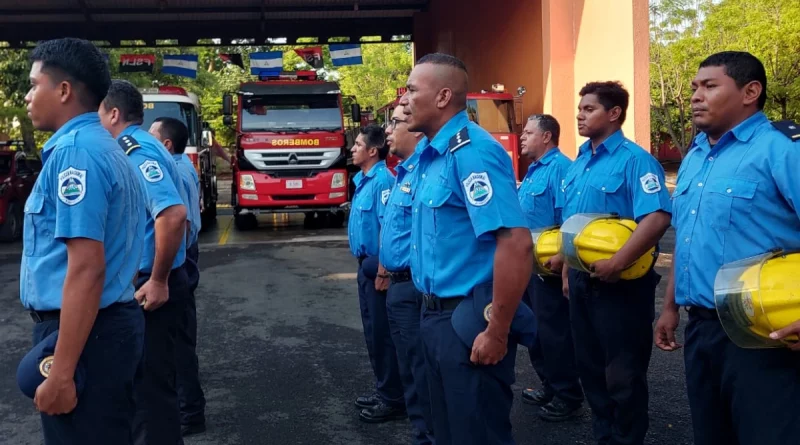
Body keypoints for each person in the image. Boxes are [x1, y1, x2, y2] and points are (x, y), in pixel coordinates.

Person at [654, 51, 800, 445]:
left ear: (750, 91)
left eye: (710, 86)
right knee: (711, 435)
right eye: (694, 88)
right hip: (701, 330)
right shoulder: (696, 156)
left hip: (765, 335)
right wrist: (669, 307)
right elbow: (686, 240)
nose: (696, 96)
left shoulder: (782, 150)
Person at [401, 53, 533, 444]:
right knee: (446, 431)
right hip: (433, 318)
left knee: (477, 434)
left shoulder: (471, 151)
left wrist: (497, 330)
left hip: (467, 322)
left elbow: (516, 242)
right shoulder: (430, 155)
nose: (402, 101)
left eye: (410, 91)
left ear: (443, 97)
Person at [20, 37, 146, 444]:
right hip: (99, 328)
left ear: (63, 90)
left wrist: (61, 374)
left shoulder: (76, 154)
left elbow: (87, 268)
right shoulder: (103, 147)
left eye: (34, 84)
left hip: (86, 333)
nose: (27, 96)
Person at [561, 81, 671, 445]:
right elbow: (573, 226)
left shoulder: (635, 160)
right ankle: (605, 437)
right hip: (581, 281)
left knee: (622, 376)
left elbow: (656, 218)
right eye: (580, 109)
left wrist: (619, 262)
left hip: (621, 286)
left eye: (589, 109)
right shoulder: (579, 163)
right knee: (589, 369)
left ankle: (627, 439)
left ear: (614, 114)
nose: (580, 114)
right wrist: (566, 269)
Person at [99, 79, 189, 445]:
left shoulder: (135, 151)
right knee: (148, 389)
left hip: (151, 286)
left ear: (114, 114)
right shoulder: (139, 146)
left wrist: (158, 280)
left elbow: (172, 214)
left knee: (150, 395)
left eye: (98, 112)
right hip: (149, 280)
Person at [517, 114, 584, 421]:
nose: (522, 137)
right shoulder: (534, 171)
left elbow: (567, 221)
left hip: (549, 268)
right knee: (535, 331)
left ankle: (567, 394)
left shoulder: (561, 169)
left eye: (528, 132)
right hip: (527, 266)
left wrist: (563, 261)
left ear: (546, 137)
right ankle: (549, 384)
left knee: (554, 333)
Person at [379, 106, 434, 444]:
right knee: (408, 366)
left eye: (395, 123)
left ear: (415, 131)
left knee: (421, 367)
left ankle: (428, 432)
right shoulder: (403, 172)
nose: (388, 130)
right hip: (397, 284)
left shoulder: (423, 174)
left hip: (414, 285)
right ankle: (420, 429)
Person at [149, 116, 207, 436]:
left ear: (166, 144)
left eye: (152, 135)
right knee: (179, 337)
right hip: (185, 255)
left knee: (179, 341)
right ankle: (187, 406)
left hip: (180, 258)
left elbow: (179, 224)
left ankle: (189, 412)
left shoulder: (173, 170)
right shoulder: (183, 164)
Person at [348, 124, 406, 422]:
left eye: (358, 144)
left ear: (372, 150)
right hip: (365, 266)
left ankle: (393, 397)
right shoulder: (364, 180)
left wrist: (384, 269)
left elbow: (389, 225)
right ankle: (384, 388)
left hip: (377, 268)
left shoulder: (383, 180)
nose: (352, 149)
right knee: (373, 333)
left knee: (383, 334)